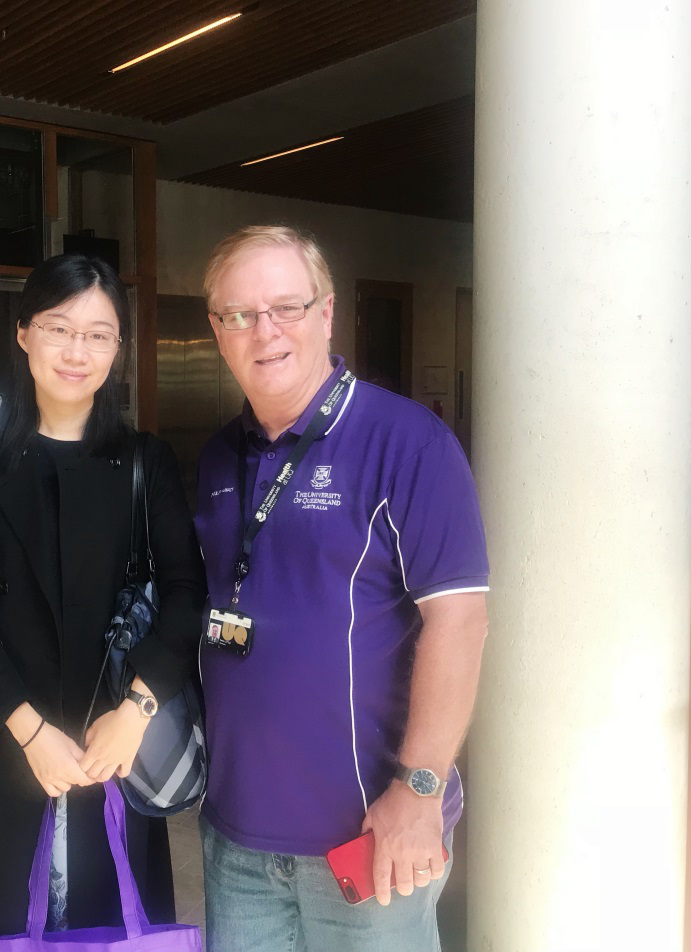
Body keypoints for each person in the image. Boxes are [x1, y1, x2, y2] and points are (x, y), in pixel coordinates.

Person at [194, 225, 489, 951]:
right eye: (240, 314)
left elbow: (459, 621)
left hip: (369, 836)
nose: (265, 331)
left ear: (326, 313)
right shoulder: (216, 458)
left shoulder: (407, 443)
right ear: (218, 332)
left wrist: (420, 789)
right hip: (237, 840)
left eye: (285, 308)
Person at [0, 254, 205, 951]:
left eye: (98, 335)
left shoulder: (145, 462)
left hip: (112, 743)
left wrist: (136, 711)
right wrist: (29, 731)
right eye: (59, 328)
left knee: (109, 923)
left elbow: (186, 592)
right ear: (23, 333)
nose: (77, 352)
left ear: (118, 348)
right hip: (1, 743)